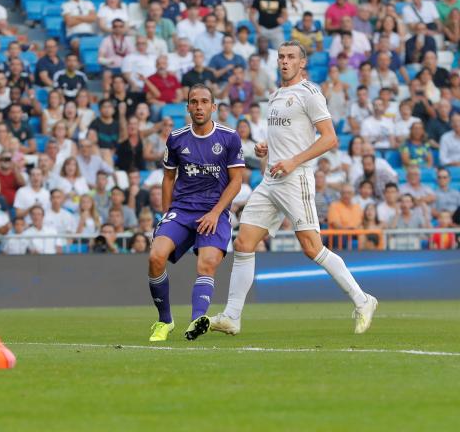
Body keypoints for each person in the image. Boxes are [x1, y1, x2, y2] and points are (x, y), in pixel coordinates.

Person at [211, 41, 377, 336]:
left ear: (302, 63)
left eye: (290, 57)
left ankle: (363, 300)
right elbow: (286, 137)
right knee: (244, 243)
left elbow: (330, 139)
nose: (284, 62)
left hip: (295, 178)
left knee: (312, 247)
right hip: (271, 178)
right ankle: (232, 317)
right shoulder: (276, 95)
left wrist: (292, 161)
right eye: (281, 57)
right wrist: (267, 148)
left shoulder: (310, 93)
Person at [146, 84, 244, 342]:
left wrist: (215, 212)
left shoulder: (229, 137)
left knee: (207, 263)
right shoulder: (176, 138)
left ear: (214, 107)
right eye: (193, 102)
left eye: (204, 102)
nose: (198, 106)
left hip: (215, 211)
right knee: (156, 257)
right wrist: (165, 215)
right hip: (182, 209)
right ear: (187, 107)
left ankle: (196, 321)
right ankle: (164, 321)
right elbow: (168, 178)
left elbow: (236, 181)